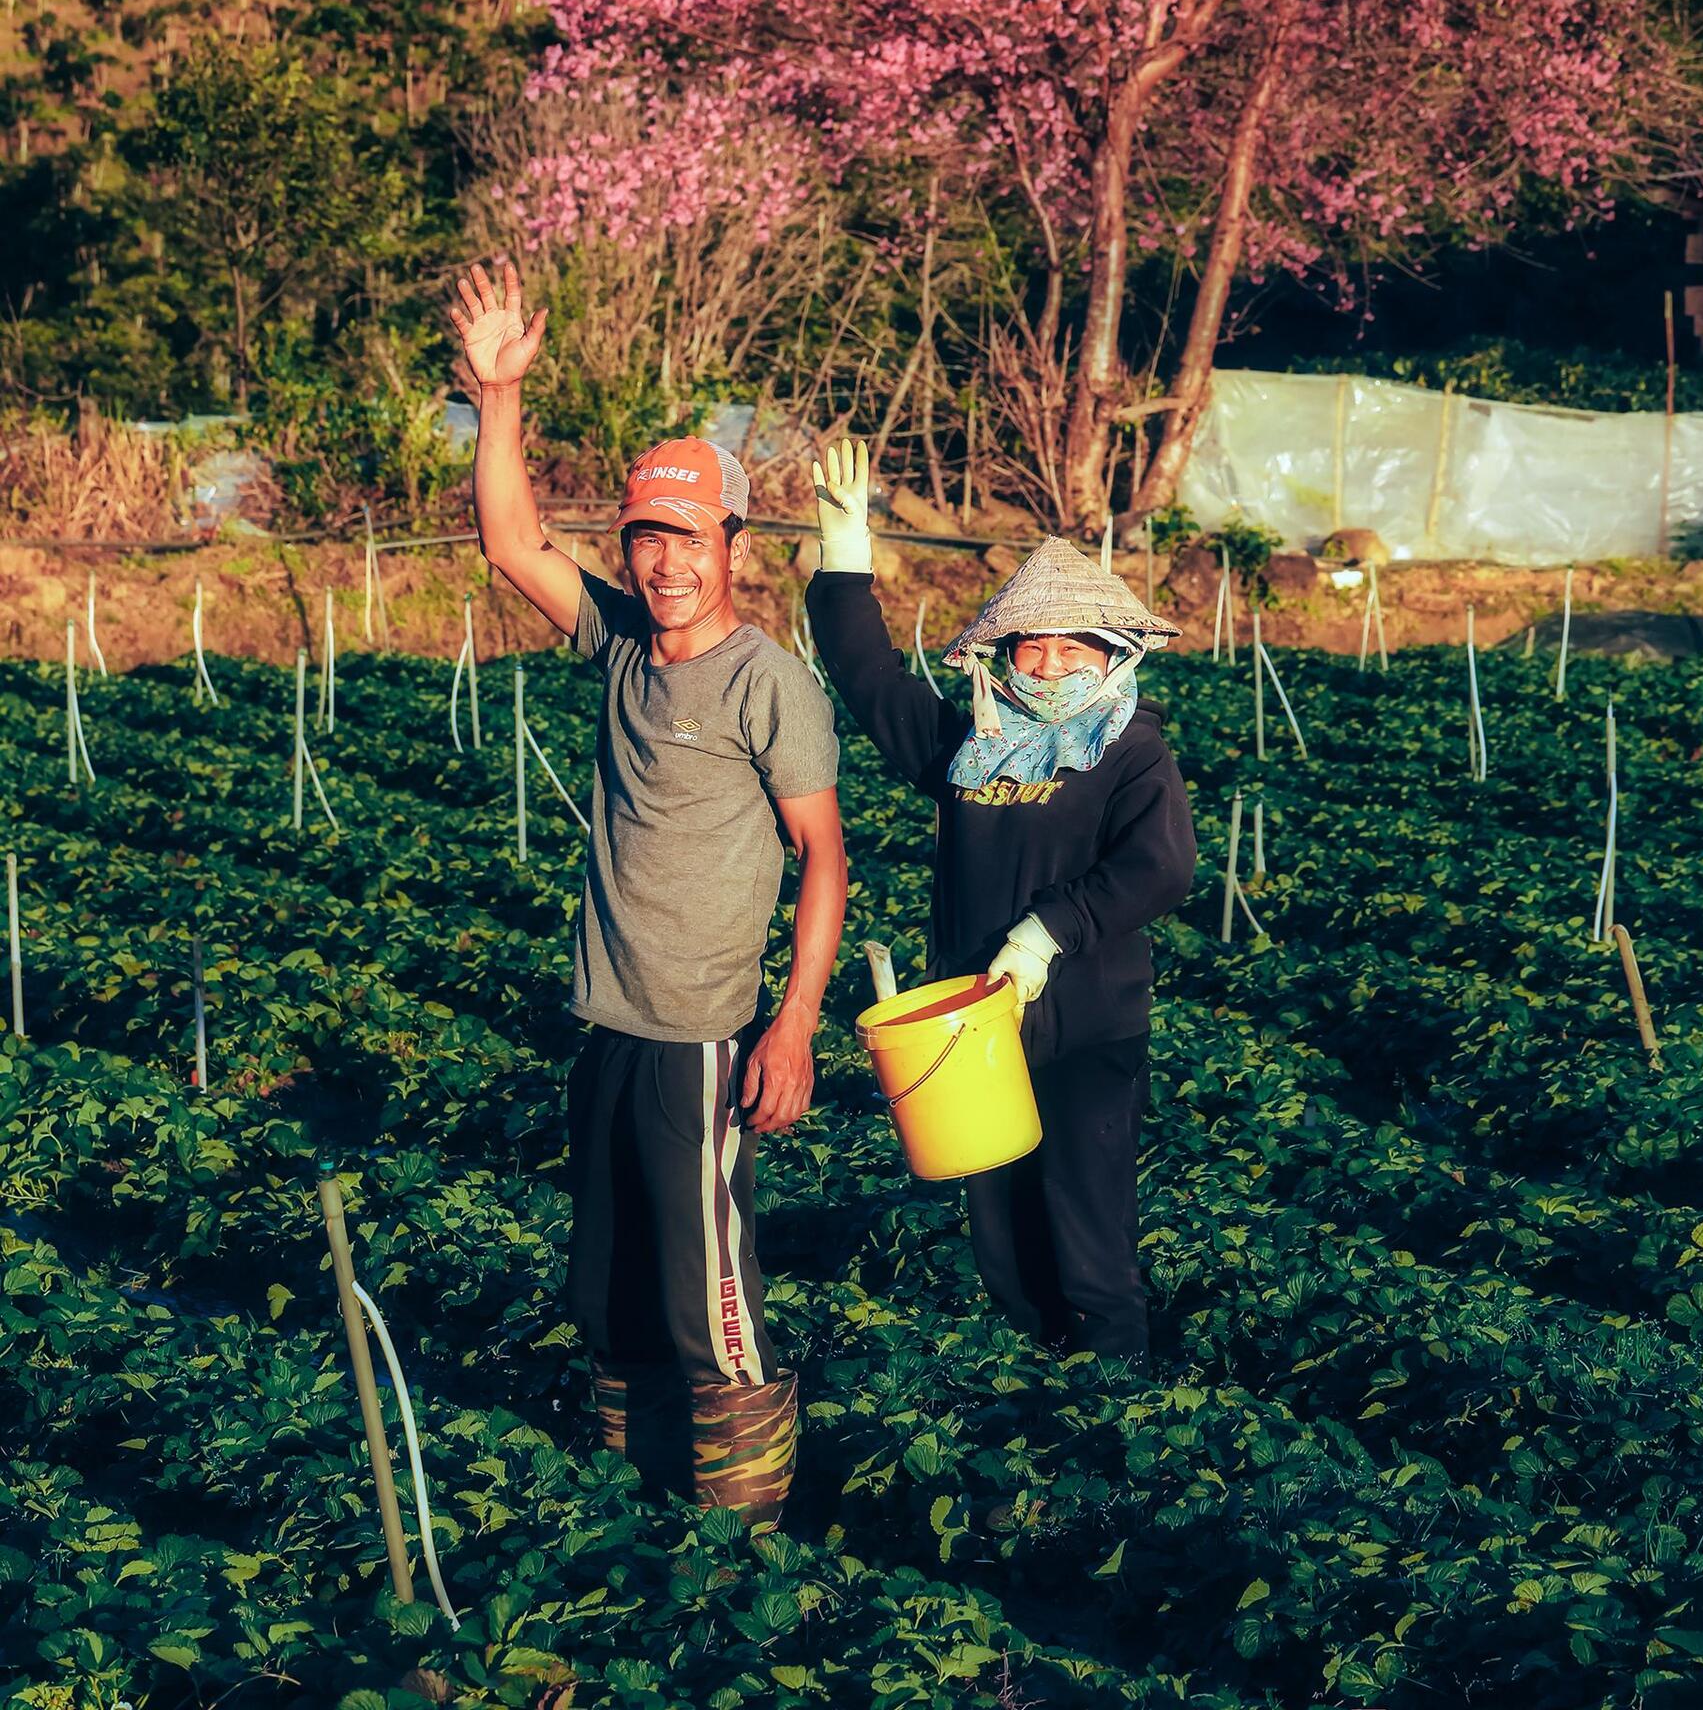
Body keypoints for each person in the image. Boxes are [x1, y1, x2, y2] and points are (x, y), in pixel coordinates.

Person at [451, 260, 847, 1525]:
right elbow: (512, 541)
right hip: (609, 1024)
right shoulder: (620, 642)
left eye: (687, 539)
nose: (664, 564)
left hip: (703, 1033)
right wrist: (498, 399)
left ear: (732, 545)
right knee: (611, 1288)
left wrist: (793, 1027)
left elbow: (824, 859)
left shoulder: (765, 684)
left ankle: (741, 1543)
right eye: (646, 540)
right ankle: (639, 1514)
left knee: (706, 1294)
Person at [806, 438, 1195, 1368]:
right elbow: (868, 681)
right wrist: (845, 556)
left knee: (1087, 1224)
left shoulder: (1129, 751)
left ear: (1110, 652)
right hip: (976, 1034)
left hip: (1090, 1030)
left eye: (1073, 645)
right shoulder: (972, 747)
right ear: (1004, 649)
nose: (1051, 662)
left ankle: (1117, 1385)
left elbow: (1161, 868)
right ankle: (1040, 1377)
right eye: (1034, 642)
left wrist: (1046, 932)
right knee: (1002, 1232)